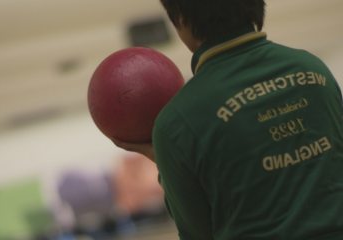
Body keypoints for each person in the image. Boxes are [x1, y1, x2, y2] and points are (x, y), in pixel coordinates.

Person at [113, 0, 343, 239]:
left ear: (179, 20)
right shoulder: (314, 70)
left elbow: (199, 233)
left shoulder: (176, 122)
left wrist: (164, 157)